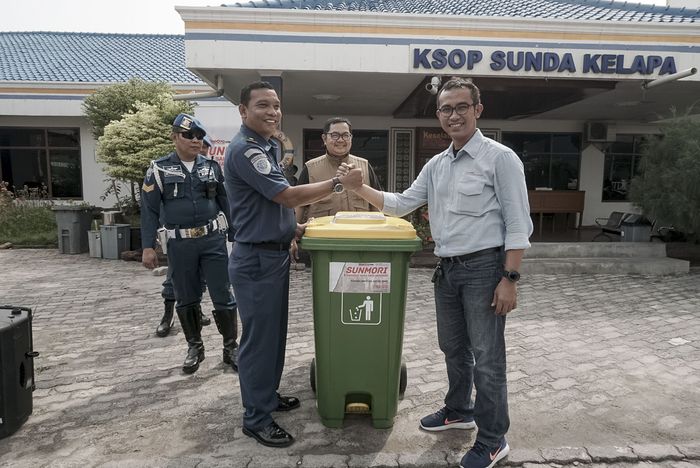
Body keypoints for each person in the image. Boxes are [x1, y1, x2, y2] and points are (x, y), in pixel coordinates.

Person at [338, 77, 533, 468]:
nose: (453, 115)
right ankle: (459, 410)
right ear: (439, 115)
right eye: (446, 108)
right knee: (454, 349)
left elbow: (518, 225)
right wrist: (360, 189)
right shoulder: (437, 164)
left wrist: (509, 280)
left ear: (478, 110)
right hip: (447, 271)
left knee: (488, 359)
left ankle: (494, 439)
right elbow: (400, 203)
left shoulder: (500, 158)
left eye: (462, 106)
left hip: (483, 269)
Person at [223, 81, 362, 448]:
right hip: (256, 259)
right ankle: (255, 418)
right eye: (262, 105)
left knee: (274, 338)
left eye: (277, 105)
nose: (272, 112)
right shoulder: (245, 150)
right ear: (243, 111)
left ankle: (266, 399)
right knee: (258, 342)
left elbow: (265, 206)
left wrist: (296, 227)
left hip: (274, 253)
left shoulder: (266, 147)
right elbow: (284, 196)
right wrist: (336, 183)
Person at [141, 113, 239, 374]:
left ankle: (231, 347)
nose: (196, 141)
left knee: (223, 294)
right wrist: (148, 246)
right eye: (189, 136)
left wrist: (234, 233)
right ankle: (195, 346)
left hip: (212, 241)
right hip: (180, 245)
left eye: (199, 136)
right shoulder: (158, 169)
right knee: (186, 298)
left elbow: (224, 201)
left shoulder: (211, 167)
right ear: (175, 137)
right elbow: (149, 211)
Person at [155, 136, 214, 338]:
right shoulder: (166, 168)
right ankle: (167, 315)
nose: (202, 151)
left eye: (206, 149)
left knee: (201, 277)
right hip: (177, 235)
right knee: (173, 277)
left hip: (204, 236)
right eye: (201, 147)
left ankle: (196, 310)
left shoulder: (207, 169)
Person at [295, 116, 382, 224]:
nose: (341, 140)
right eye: (335, 135)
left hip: (359, 235)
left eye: (346, 135)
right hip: (322, 237)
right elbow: (299, 204)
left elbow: (376, 204)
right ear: (324, 138)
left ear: (351, 138)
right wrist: (294, 234)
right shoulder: (310, 168)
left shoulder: (365, 166)